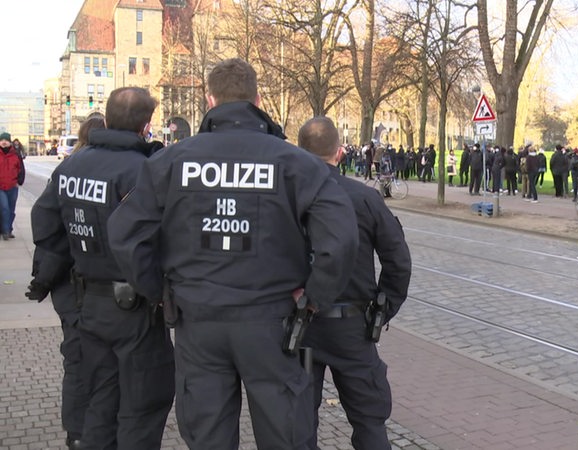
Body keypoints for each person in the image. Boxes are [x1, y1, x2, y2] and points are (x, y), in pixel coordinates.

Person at [107, 58, 359, 450]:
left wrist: (160, 291)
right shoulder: (296, 163)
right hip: (271, 322)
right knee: (285, 436)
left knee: (207, 437)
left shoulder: (171, 162)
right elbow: (340, 239)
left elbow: (125, 234)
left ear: (211, 99)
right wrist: (312, 299)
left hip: (199, 322)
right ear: (258, 99)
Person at [28, 87, 173, 450]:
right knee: (141, 405)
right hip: (135, 307)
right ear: (146, 125)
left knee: (100, 401)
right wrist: (157, 291)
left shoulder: (72, 165)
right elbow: (161, 239)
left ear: (106, 118)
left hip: (88, 303)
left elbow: (44, 224)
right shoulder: (145, 170)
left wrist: (81, 253)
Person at [297, 116, 411, 450]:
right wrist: (383, 309)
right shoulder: (365, 198)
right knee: (369, 419)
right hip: (353, 327)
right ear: (340, 152)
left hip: (301, 324)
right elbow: (398, 261)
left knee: (298, 421)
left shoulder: (285, 198)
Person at [25, 117, 105, 449]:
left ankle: (77, 433)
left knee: (76, 359)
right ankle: (86, 430)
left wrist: (44, 278)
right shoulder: (111, 170)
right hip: (90, 285)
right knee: (93, 362)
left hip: (67, 287)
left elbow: (47, 229)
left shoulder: (68, 171)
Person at [0, 132, 25, 240]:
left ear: (9, 142)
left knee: (11, 210)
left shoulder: (16, 155)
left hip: (12, 186)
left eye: (5, 140)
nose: (4, 142)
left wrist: (19, 181)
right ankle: (5, 231)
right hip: (1, 187)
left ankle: (8, 229)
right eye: (2, 140)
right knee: (4, 208)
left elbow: (21, 169)